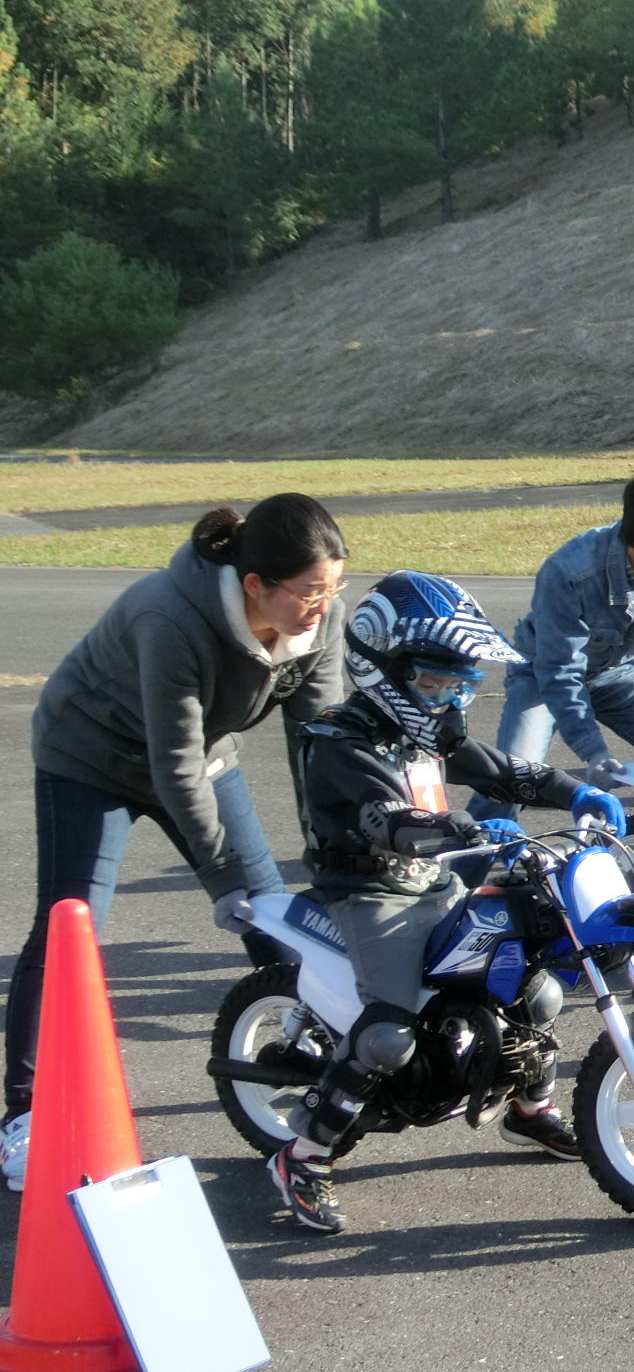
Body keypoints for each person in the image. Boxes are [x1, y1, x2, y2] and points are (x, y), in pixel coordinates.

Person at [3, 495, 349, 1193]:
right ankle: (25, 1111)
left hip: (200, 757)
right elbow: (174, 766)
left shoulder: (321, 618)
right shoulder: (172, 616)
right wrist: (221, 875)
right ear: (255, 585)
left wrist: (337, 849)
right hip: (90, 756)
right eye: (309, 590)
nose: (323, 603)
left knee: (276, 918)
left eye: (333, 587)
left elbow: (325, 746)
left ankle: (315, 1065)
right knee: (72, 929)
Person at [268, 572, 628, 1234]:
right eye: (435, 683)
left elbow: (500, 769)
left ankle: (528, 1112)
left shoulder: (429, 731)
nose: (449, 697)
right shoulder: (337, 741)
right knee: (386, 1035)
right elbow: (388, 822)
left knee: (534, 986)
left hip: (437, 880)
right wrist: (464, 829)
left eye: (459, 684)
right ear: (384, 668)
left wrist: (575, 791)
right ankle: (305, 1154)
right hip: (370, 893)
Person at [471, 468, 634, 823]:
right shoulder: (569, 572)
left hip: (618, 676)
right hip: (541, 678)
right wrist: (593, 751)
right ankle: (463, 870)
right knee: (511, 779)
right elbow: (559, 672)